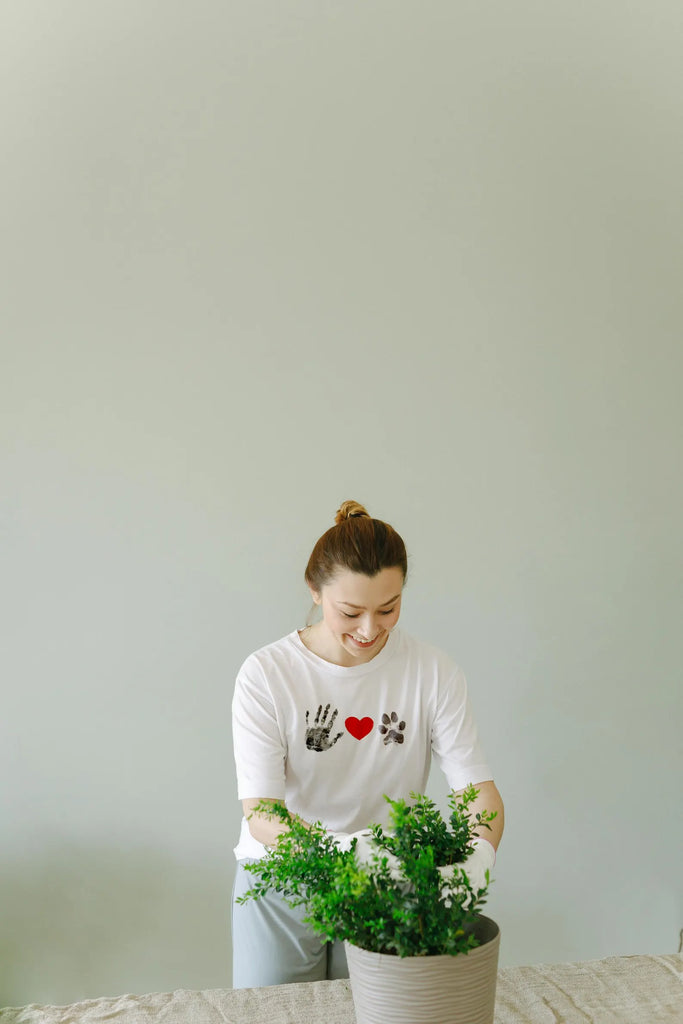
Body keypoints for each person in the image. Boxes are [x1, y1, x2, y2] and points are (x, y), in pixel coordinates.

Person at [231, 500, 504, 989]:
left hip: (389, 881)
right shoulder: (267, 674)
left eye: (388, 609)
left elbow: (475, 791)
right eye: (350, 612)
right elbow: (262, 813)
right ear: (314, 590)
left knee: (375, 1009)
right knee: (274, 1013)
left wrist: (480, 852)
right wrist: (341, 851)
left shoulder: (433, 672)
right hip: (283, 879)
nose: (369, 630)